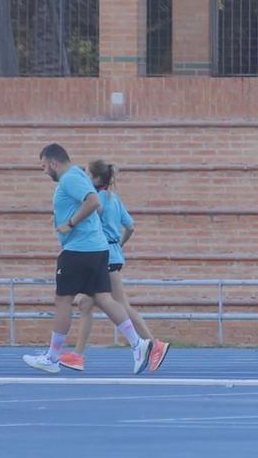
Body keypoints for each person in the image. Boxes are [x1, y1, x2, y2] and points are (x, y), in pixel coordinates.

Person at [24, 144, 165, 376]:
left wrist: (69, 224)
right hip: (95, 249)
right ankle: (138, 345)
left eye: (43, 166)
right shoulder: (76, 176)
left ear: (52, 162)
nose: (43, 171)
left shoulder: (70, 178)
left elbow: (93, 202)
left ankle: (52, 357)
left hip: (80, 250)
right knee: (104, 298)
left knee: (62, 300)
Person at [62, 161, 164, 372]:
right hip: (112, 253)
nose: (84, 178)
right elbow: (130, 226)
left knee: (120, 305)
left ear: (96, 179)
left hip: (103, 256)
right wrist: (119, 244)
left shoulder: (96, 200)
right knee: (86, 304)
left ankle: (154, 345)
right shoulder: (113, 198)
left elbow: (88, 221)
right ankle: (78, 355)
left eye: (87, 174)